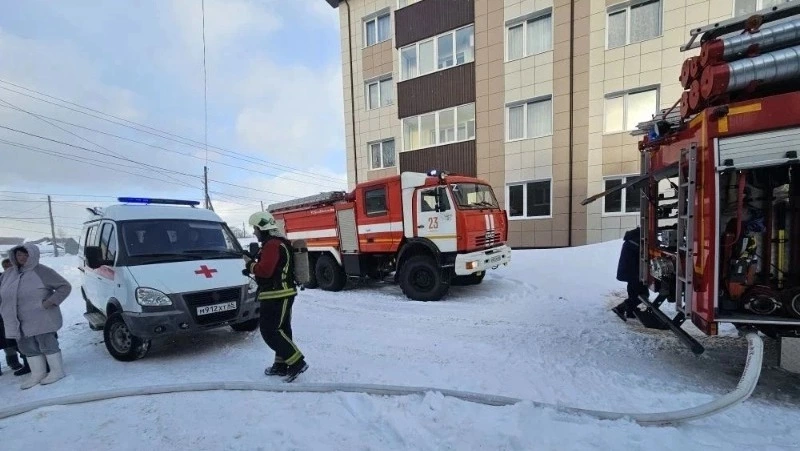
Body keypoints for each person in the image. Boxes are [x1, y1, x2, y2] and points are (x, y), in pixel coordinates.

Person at [242, 211, 308, 382]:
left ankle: (297, 362)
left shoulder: (272, 245)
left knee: (269, 331)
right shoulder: (279, 243)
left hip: (276, 294)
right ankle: (281, 365)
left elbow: (265, 271)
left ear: (262, 228)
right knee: (282, 330)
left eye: (255, 228)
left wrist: (250, 265)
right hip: (283, 292)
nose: (254, 232)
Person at [0, 244, 72, 389]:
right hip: (17, 319)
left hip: (41, 316)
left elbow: (64, 286)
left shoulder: (42, 271)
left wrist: (49, 302)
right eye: (19, 255)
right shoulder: (9, 274)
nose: (22, 258)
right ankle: (37, 373)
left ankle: (57, 371)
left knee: (47, 343)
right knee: (26, 346)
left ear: (33, 255)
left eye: (26, 255)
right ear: (14, 256)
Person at [612, 227, 645, 321]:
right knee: (642, 294)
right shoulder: (634, 245)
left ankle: (630, 311)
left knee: (634, 293)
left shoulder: (629, 242)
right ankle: (620, 308)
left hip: (630, 273)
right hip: (633, 274)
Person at [0, 258, 24, 376]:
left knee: (9, 339)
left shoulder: (15, 277)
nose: (7, 269)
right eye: (5, 267)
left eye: (10, 266)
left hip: (6, 313)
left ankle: (14, 362)